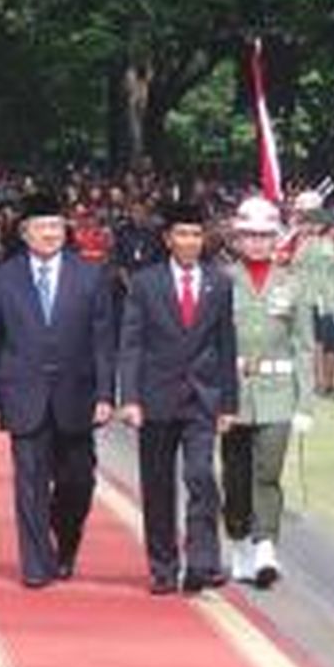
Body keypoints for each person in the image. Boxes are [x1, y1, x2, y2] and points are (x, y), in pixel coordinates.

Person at [0, 192, 117, 588]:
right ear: (25, 233)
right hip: (23, 394)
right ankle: (36, 565)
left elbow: (104, 342)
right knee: (29, 483)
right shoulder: (5, 278)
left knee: (78, 482)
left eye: (57, 226)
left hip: (77, 394)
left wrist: (106, 394)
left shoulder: (90, 274)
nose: (51, 234)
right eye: (42, 227)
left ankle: (65, 543)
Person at [118, 202, 238, 596]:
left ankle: (202, 561)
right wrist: (130, 397)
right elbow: (131, 343)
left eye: (196, 235)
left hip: (203, 398)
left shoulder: (219, 283)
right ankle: (163, 566)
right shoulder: (145, 283)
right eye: (182, 235)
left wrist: (228, 404)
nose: (189, 242)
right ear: (168, 239)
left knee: (201, 476)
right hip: (156, 396)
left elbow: (225, 344)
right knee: (157, 484)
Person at [220, 197, 315, 588]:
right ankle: (240, 540)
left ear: (276, 238)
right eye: (250, 236)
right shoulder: (222, 280)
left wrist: (305, 403)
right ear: (238, 239)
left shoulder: (292, 284)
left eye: (264, 236)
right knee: (235, 475)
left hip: (277, 391)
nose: (257, 243)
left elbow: (304, 346)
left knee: (268, 472)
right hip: (234, 390)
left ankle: (265, 546)